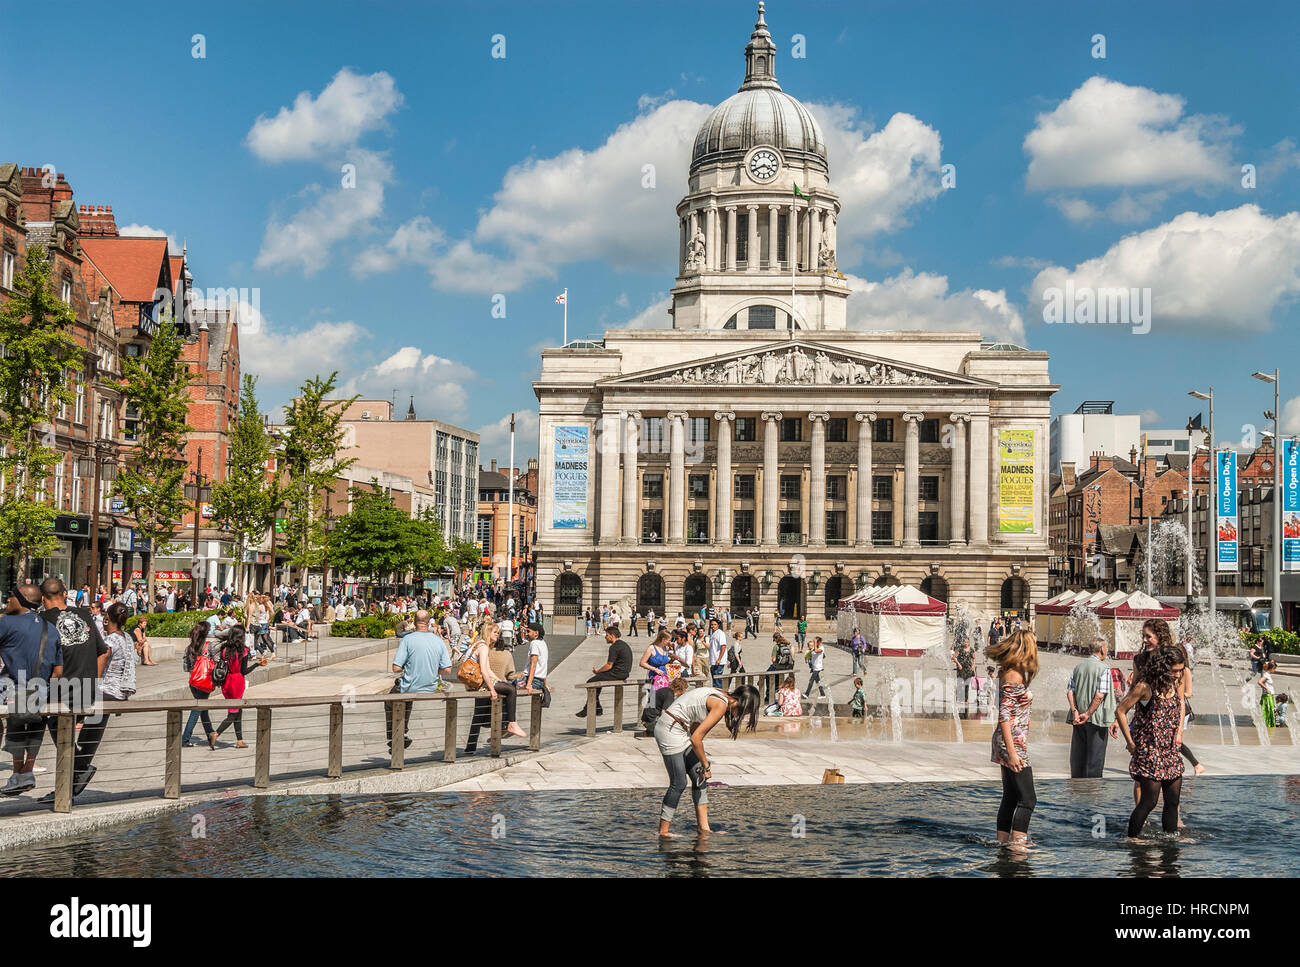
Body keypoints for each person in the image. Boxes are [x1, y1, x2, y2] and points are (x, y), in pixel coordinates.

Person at [653, 682, 760, 837]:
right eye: (747, 712)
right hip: (669, 731)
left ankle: (704, 828)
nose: (743, 716)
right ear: (742, 704)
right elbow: (697, 739)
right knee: (679, 783)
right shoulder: (721, 705)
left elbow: (695, 720)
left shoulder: (721, 694)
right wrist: (706, 765)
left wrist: (701, 764)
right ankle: (663, 831)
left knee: (699, 778)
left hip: (681, 730)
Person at [40, 577, 109, 797]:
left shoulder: (41, 620)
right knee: (64, 735)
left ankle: (75, 775)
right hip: (86, 689)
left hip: (59, 691)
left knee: (55, 729)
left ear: (43, 598)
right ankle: (71, 781)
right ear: (64, 594)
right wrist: (93, 680)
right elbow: (103, 651)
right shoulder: (84, 614)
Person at [1115, 643, 1186, 839]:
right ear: (1163, 667)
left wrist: (1179, 733)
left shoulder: (1174, 684)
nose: (1178, 675)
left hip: (1170, 750)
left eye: (1180, 671)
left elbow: (1181, 707)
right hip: (1149, 752)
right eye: (1174, 671)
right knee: (1150, 801)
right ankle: (1133, 838)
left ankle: (1171, 839)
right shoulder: (1144, 687)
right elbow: (1120, 711)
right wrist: (1130, 742)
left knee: (1173, 800)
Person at [0, 584, 64, 796]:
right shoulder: (50, 628)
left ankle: (20, 773)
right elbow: (58, 670)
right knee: (35, 727)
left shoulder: (7, 623)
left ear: (21, 600)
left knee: (15, 726)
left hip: (13, 689)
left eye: (11, 597)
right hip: (41, 690)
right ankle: (26, 771)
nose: (8, 601)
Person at [988, 628, 1038, 851]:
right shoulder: (1013, 675)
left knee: (1010, 795)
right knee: (1028, 799)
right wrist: (1012, 751)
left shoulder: (1010, 671)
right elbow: (1004, 715)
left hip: (1009, 741)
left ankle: (1002, 841)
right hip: (1011, 743)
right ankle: (1017, 845)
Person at [388, 610, 453, 753]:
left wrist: (409, 666)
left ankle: (396, 736)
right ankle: (401, 734)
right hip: (431, 687)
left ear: (414, 622)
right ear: (429, 622)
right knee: (407, 694)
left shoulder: (408, 640)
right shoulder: (438, 640)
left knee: (392, 697)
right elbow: (447, 669)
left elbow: (396, 668)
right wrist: (433, 670)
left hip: (410, 687)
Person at [465, 620, 526, 752]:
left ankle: (470, 747)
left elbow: (488, 669)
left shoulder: (477, 644)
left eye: (498, 633)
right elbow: (484, 671)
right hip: (482, 683)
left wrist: (499, 681)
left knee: (477, 716)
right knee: (510, 690)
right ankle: (511, 724)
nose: (497, 635)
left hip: (478, 683)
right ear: (488, 632)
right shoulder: (484, 647)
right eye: (495, 632)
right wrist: (492, 688)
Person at [1066, 637, 1115, 779]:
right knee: (1095, 759)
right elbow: (1100, 695)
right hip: (1097, 719)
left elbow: (1070, 691)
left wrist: (1075, 711)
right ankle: (1092, 792)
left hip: (1078, 718)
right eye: (1106, 648)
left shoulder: (1078, 666)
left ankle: (1077, 789)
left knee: (1078, 757)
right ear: (1102, 650)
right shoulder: (1104, 668)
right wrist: (1088, 713)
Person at [212, 627, 269, 748]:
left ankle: (239, 740)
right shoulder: (243, 651)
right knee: (233, 713)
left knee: (237, 710)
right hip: (237, 682)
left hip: (226, 682)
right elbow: (244, 671)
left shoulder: (224, 649)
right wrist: (256, 664)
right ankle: (216, 733)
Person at [577, 624, 633, 719]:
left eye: (606, 635)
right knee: (597, 681)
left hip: (617, 673)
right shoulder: (624, 644)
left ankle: (591, 708)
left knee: (590, 682)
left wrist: (598, 671)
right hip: (624, 673)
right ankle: (597, 708)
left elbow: (609, 665)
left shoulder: (614, 647)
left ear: (612, 635)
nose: (605, 638)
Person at [181, 621, 218, 748]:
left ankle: (210, 733)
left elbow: (186, 667)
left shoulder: (189, 647)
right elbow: (218, 663)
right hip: (205, 682)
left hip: (194, 682)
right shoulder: (209, 646)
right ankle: (185, 738)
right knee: (197, 709)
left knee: (203, 709)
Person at [765, 634, 795, 704]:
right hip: (786, 667)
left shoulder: (776, 647)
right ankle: (776, 689)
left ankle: (769, 694)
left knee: (767, 675)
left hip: (777, 667)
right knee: (775, 677)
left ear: (775, 639)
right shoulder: (787, 645)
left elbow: (773, 659)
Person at [951, 629, 977, 708]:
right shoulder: (959, 649)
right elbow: (954, 657)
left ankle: (966, 699)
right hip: (961, 668)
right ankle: (959, 698)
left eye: (967, 642)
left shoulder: (971, 650)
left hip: (968, 668)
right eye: (964, 642)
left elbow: (974, 658)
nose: (966, 643)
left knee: (966, 684)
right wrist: (958, 664)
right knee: (960, 683)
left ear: (969, 642)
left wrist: (973, 665)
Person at [707, 617, 727, 688]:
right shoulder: (713, 634)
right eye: (711, 624)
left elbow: (723, 646)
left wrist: (719, 659)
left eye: (714, 624)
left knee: (717, 682)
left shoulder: (720, 633)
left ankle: (719, 696)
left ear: (718, 625)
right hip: (713, 661)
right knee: (714, 681)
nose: (712, 626)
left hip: (718, 661)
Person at [1260, 661, 1278, 728]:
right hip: (1267, 696)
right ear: (1272, 668)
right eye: (1274, 669)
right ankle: (1267, 726)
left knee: (1271, 711)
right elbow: (1260, 682)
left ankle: (1269, 727)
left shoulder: (1268, 675)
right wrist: (1266, 689)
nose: (1275, 670)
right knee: (1268, 712)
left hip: (1270, 696)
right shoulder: (1266, 675)